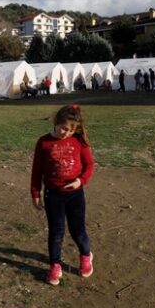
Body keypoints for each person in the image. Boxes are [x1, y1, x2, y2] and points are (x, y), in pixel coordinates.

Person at [31, 104, 95, 286]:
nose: (66, 133)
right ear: (56, 122)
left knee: (77, 230)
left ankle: (85, 255)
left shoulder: (78, 142)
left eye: (70, 130)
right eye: (63, 128)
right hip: (53, 195)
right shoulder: (43, 142)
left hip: (75, 194)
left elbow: (90, 165)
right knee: (56, 232)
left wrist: (80, 181)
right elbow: (37, 170)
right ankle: (55, 265)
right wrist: (35, 193)